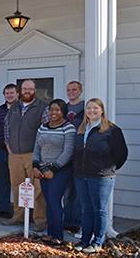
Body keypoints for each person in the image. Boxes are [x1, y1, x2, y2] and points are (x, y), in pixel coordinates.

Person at [73, 98, 128, 254]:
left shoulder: (112, 130)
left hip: (101, 177)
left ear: (102, 110)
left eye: (95, 108)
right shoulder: (81, 128)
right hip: (81, 175)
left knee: (100, 210)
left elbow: (121, 154)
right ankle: (85, 240)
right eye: (89, 108)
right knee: (86, 209)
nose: (91, 111)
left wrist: (107, 168)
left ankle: (97, 242)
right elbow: (77, 151)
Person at [3, 80, 48, 232]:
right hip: (14, 154)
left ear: (35, 90)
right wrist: (9, 147)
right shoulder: (14, 107)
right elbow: (7, 127)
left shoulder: (42, 107)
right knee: (17, 187)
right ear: (20, 90)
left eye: (30, 88)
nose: (27, 91)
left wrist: (39, 153)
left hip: (33, 154)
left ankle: (39, 220)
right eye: (24, 88)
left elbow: (46, 130)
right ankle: (19, 217)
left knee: (37, 188)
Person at [32, 99, 76, 244]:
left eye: (57, 110)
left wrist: (53, 169)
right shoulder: (42, 127)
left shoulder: (68, 128)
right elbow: (37, 148)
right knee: (48, 202)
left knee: (54, 201)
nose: (53, 113)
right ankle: (50, 233)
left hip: (60, 171)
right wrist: (35, 166)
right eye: (51, 109)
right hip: (43, 170)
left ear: (63, 111)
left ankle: (57, 236)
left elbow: (68, 151)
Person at [0, 83, 18, 218]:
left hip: (18, 151)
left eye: (12, 93)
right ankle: (3, 207)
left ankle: (19, 210)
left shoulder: (22, 109)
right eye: (7, 93)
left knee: (17, 180)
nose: (9, 95)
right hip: (1, 151)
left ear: (17, 94)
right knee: (1, 179)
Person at [64, 81, 84, 234]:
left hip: (79, 155)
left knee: (77, 191)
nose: (71, 92)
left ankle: (76, 221)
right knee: (67, 190)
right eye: (69, 90)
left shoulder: (85, 108)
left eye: (74, 89)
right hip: (64, 154)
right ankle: (66, 220)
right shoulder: (63, 108)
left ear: (80, 91)